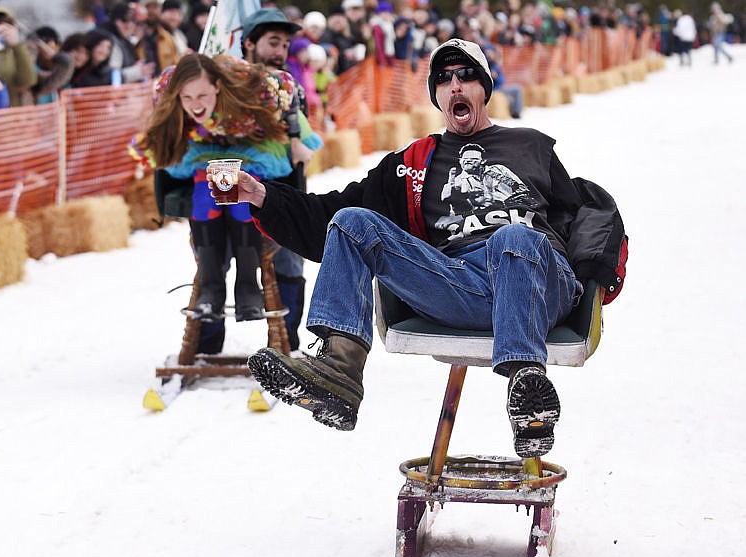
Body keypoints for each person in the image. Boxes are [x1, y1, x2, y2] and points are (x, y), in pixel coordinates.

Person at [239, 38, 627, 458]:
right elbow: (330, 214)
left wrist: (592, 280)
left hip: (537, 280)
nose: (455, 85)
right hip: (460, 284)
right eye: (444, 80)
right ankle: (340, 373)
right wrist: (264, 197)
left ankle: (527, 389)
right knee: (352, 222)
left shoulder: (530, 145)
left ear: (484, 88)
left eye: (466, 76)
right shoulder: (415, 162)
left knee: (513, 238)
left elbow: (580, 214)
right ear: (437, 96)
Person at [132, 53, 320, 332]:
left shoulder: (259, 89)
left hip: (253, 146)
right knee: (205, 188)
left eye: (202, 95)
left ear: (218, 86)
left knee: (236, 186)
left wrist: (294, 137)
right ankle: (212, 287)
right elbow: (159, 135)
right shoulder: (167, 90)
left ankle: (247, 284)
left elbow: (289, 88)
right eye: (187, 98)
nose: (195, 105)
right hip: (203, 149)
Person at [241, 7, 323, 352]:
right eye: (273, 42)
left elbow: (301, 141)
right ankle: (207, 337)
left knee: (290, 258)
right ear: (249, 43)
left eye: (286, 44)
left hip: (281, 191)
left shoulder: (292, 87)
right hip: (230, 189)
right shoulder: (228, 84)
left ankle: (286, 341)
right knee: (212, 253)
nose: (280, 51)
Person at [0, 5, 37, 107]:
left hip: (12, 115)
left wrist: (16, 45)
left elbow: (27, 81)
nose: (2, 28)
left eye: (7, 23)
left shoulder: (18, 51)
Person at [27, 26, 74, 103]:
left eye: (56, 43)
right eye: (46, 43)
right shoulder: (33, 70)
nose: (50, 49)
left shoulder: (58, 69)